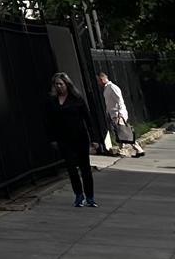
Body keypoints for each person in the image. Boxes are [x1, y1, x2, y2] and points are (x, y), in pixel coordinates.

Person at [46, 72, 101, 206]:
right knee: (71, 168)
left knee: (85, 168)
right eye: (56, 84)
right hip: (63, 139)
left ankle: (90, 196)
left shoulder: (77, 99)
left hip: (79, 137)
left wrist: (93, 138)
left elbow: (88, 119)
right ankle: (78, 195)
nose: (59, 87)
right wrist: (53, 138)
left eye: (61, 84)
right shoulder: (53, 102)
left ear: (67, 85)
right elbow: (49, 121)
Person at [98, 72, 146, 159]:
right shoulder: (107, 88)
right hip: (114, 113)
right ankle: (123, 150)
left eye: (99, 81)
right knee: (120, 133)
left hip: (118, 114)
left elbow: (119, 100)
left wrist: (120, 114)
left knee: (124, 132)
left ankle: (138, 149)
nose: (99, 83)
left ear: (102, 79)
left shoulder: (112, 87)